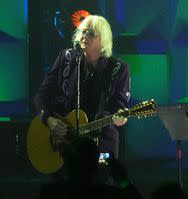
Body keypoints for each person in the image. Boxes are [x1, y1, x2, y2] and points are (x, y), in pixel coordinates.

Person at [34, 14, 130, 159]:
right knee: (67, 179)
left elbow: (118, 105)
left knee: (102, 176)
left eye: (91, 33)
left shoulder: (119, 68)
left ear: (103, 40)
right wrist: (49, 119)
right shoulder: (66, 57)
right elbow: (41, 95)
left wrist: (119, 116)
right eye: (82, 31)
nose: (84, 36)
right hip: (65, 146)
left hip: (102, 144)